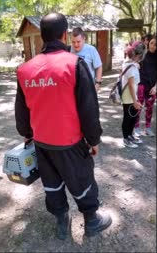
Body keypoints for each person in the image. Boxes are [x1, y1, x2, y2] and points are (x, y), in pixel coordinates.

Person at [15, 13, 112, 240]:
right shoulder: (75, 64)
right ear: (65, 34)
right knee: (82, 180)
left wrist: (28, 134)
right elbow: (89, 109)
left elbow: (21, 111)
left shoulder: (24, 70)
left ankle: (61, 220)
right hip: (71, 143)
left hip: (41, 143)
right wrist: (93, 140)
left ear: (42, 36)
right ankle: (92, 220)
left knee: (52, 184)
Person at [121, 42, 144, 148]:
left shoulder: (133, 65)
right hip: (128, 95)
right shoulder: (129, 66)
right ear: (137, 55)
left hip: (133, 94)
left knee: (133, 116)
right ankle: (126, 138)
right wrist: (135, 101)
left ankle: (130, 135)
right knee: (128, 117)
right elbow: (130, 85)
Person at [134, 35, 157, 137]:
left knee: (150, 108)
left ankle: (147, 127)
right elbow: (132, 61)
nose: (153, 46)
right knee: (138, 106)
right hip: (141, 84)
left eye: (155, 44)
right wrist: (136, 64)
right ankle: (136, 127)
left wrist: (156, 87)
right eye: (151, 43)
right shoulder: (142, 54)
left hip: (152, 87)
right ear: (148, 42)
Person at [70, 27, 103, 92]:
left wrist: (97, 85)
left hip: (88, 88)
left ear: (84, 39)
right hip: (74, 89)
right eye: (73, 42)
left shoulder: (91, 50)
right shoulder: (69, 50)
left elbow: (99, 66)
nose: (76, 44)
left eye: (78, 42)